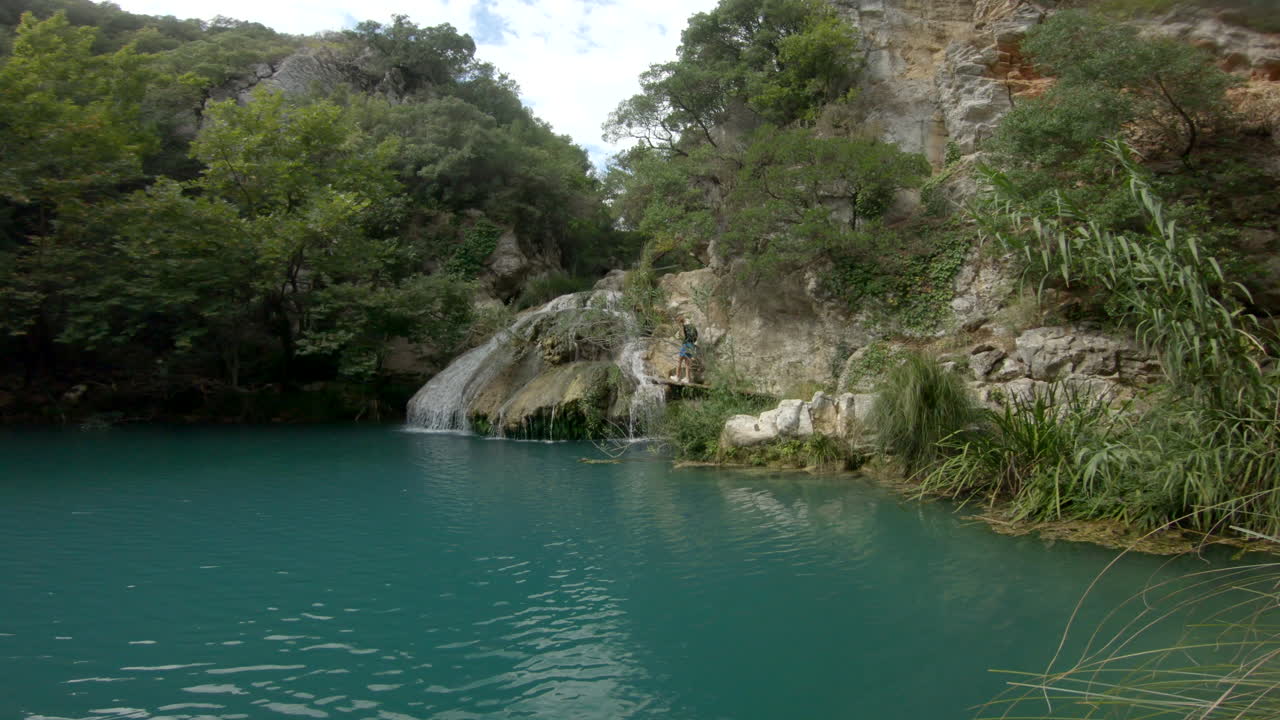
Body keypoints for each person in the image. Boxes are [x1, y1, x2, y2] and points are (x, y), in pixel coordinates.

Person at [675, 315, 697, 383]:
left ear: (680, 322)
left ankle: (677, 377)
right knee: (688, 362)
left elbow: (683, 336)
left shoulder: (685, 326)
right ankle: (687, 379)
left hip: (686, 344)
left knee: (679, 360)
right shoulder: (692, 325)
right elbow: (696, 335)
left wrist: (679, 330)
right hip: (692, 344)